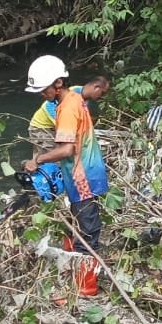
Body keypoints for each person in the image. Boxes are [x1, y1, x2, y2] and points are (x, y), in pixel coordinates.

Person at [20, 55, 109, 297]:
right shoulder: (72, 98)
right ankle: (73, 273)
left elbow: (67, 149)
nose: (41, 93)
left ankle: (86, 289)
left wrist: (37, 159)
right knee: (80, 223)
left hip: (83, 178)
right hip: (81, 174)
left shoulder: (68, 107)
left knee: (88, 233)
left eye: (44, 88)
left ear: (58, 83)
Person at [27, 75, 109, 151]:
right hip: (42, 127)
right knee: (52, 157)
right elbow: (50, 106)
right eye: (102, 93)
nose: (102, 97)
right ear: (96, 87)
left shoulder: (87, 100)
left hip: (56, 126)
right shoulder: (72, 92)